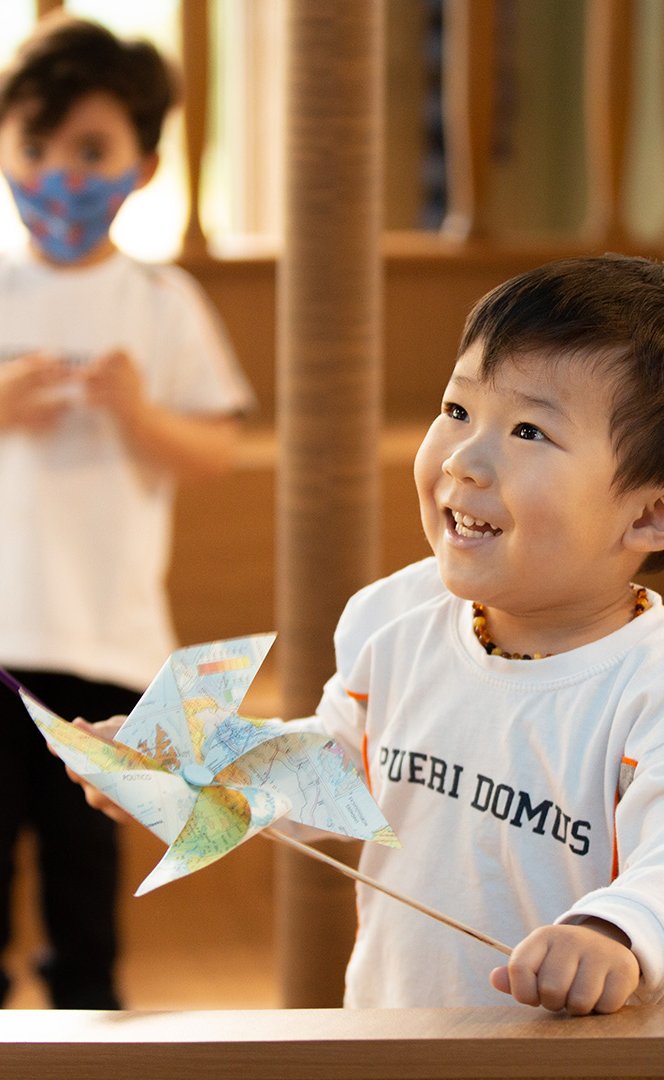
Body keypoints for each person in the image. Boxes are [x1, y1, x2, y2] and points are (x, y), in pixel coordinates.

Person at [77, 254, 664, 1015]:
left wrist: (617, 932)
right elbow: (338, 767)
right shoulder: (398, 616)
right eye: (457, 409)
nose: (464, 459)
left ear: (653, 514)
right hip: (398, 1035)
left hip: (582, 1060)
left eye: (529, 430)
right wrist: (196, 768)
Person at [0, 15, 253, 1009]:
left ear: (143, 167)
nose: (59, 175)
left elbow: (216, 450)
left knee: (83, 867)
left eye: (92, 150)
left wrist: (138, 414)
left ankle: (88, 1022)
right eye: (36, 145)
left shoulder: (162, 301)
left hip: (107, 643)